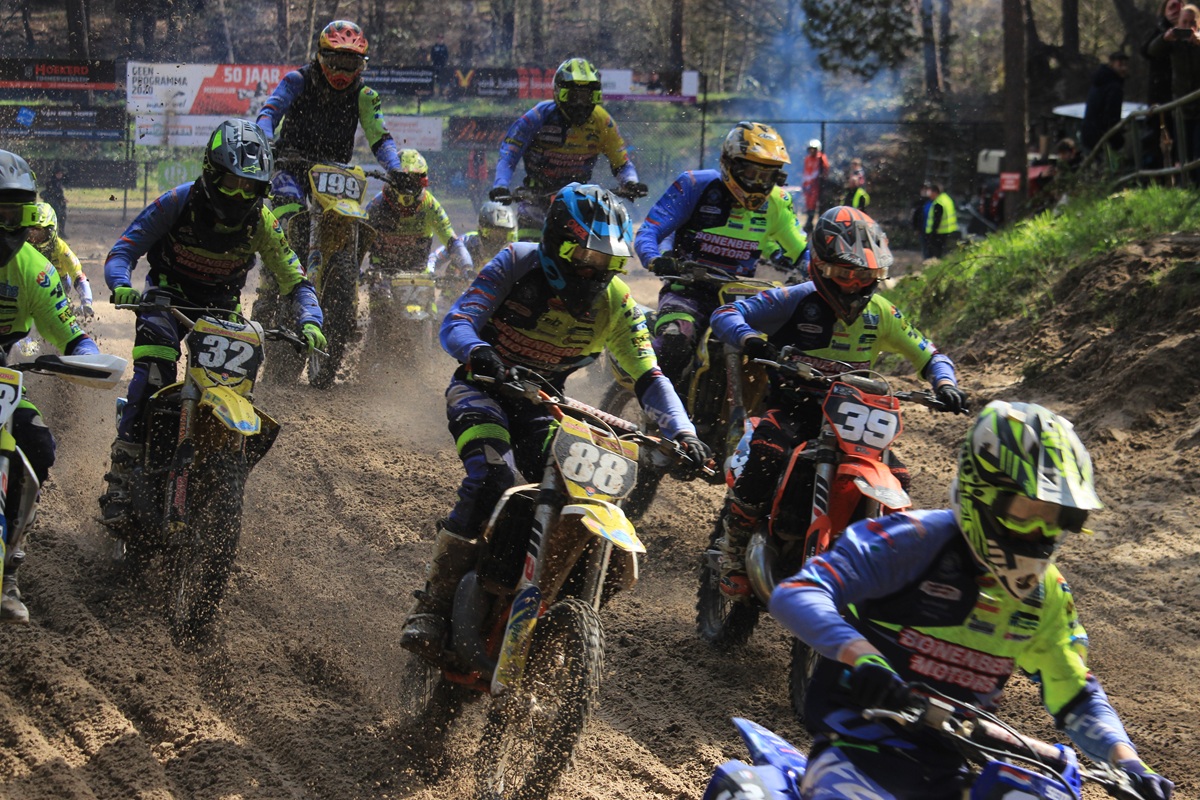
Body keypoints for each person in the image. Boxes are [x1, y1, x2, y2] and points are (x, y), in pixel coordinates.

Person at [770, 400, 1175, 800]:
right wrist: (863, 658)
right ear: (981, 492)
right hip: (855, 754)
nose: (1040, 530)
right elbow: (798, 592)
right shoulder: (913, 541)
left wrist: (1130, 764)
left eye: (1056, 517)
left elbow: (1075, 694)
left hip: (948, 771)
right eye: (1028, 511)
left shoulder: (1045, 594)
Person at [399, 183, 709, 660]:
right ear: (556, 243)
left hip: (544, 407)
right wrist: (480, 351)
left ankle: (549, 602)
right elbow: (456, 322)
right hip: (483, 390)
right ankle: (433, 603)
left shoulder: (616, 301)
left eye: (607, 261)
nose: (595, 270)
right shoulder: (515, 262)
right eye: (586, 257)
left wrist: (683, 432)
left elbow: (649, 376)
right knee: (494, 477)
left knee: (578, 489)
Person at [708, 206, 966, 597]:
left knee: (899, 476)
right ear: (822, 267)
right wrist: (750, 339)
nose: (853, 285)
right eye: (845, 275)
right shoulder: (796, 299)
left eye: (865, 276)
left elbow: (930, 354)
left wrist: (945, 383)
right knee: (768, 450)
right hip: (794, 408)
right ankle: (733, 545)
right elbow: (728, 312)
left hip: (854, 416)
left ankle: (875, 561)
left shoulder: (882, 313)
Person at [98, 120, 325, 527]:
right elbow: (124, 251)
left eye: (249, 186)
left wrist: (310, 320)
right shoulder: (177, 202)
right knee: (154, 370)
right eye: (231, 182)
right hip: (166, 300)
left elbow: (296, 279)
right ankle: (122, 470)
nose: (239, 194)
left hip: (221, 312)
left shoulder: (263, 222)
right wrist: (122, 285)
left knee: (232, 387)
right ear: (210, 172)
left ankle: (218, 465)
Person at [0, 149, 104, 624]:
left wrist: (88, 357)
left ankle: (9, 570)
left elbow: (71, 334)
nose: (6, 224)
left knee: (39, 447)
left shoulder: (36, 270)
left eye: (14, 213)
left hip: (3, 371)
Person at [634, 121, 807, 393]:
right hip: (687, 291)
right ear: (730, 164)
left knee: (782, 354)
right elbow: (650, 231)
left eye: (768, 176)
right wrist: (655, 259)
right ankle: (656, 404)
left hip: (742, 300)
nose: (759, 184)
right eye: (752, 173)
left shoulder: (778, 201)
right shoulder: (697, 185)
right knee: (675, 342)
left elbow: (802, 251)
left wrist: (824, 275)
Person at [255, 20, 403, 242]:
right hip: (291, 164)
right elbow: (269, 114)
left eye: (350, 64)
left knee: (343, 232)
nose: (342, 72)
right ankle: (280, 260)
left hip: (336, 172)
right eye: (335, 62)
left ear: (361, 65)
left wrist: (396, 168)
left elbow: (380, 138)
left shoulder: (365, 96)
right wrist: (266, 141)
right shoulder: (297, 81)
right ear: (321, 57)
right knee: (291, 221)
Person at [488, 58, 645, 215]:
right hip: (536, 194)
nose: (580, 104)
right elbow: (509, 153)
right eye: (574, 96)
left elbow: (621, 163)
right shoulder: (538, 116)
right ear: (559, 93)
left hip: (579, 197)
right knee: (529, 228)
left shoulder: (603, 122)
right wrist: (501, 185)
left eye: (586, 97)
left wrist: (631, 182)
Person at [364, 148, 472, 281]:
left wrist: (466, 267)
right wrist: (356, 273)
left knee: (425, 293)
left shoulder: (429, 204)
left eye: (413, 179)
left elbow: (451, 240)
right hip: (381, 272)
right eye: (403, 179)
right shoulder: (377, 205)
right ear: (392, 178)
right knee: (381, 293)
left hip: (418, 271)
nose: (407, 185)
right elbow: (357, 242)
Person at [1149, 6, 1200, 171]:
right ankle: (1187, 183)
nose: (1188, 26)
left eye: (1192, 23)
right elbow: (1152, 50)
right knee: (1184, 153)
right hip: (1181, 107)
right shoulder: (1175, 44)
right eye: (1184, 22)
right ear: (1178, 23)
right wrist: (1165, 38)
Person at [426, 199, 516, 287]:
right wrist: (430, 272)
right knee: (456, 261)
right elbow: (435, 257)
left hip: (497, 294)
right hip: (458, 293)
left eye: (504, 235)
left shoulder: (515, 251)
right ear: (480, 229)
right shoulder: (466, 242)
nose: (497, 240)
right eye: (492, 234)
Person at [25, 203, 93, 317]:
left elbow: (78, 275)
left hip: (58, 286)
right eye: (31, 232)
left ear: (51, 230)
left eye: (41, 233)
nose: (35, 239)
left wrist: (86, 301)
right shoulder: (23, 246)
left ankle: (66, 309)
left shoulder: (61, 248)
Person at [1081, 52, 1130, 153]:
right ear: (1111, 64)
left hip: (1089, 137)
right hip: (1101, 139)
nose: (1124, 68)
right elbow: (1111, 116)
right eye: (1120, 64)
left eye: (1125, 65)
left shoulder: (1100, 81)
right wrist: (1117, 140)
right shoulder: (1113, 87)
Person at [800, 139, 830, 235]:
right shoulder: (807, 159)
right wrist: (804, 183)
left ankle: (816, 223)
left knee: (816, 204)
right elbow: (805, 171)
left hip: (816, 185)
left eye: (814, 149)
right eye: (810, 149)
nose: (812, 151)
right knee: (809, 204)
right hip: (808, 185)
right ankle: (809, 223)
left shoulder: (821, 158)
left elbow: (825, 170)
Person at [924, 180, 958, 259]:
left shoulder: (939, 202)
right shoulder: (946, 199)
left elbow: (937, 219)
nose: (929, 195)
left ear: (935, 192)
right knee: (943, 253)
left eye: (930, 192)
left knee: (936, 254)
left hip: (938, 232)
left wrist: (933, 232)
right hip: (947, 231)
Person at [41, 162, 67, 240]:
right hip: (52, 202)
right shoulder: (52, 182)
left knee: (62, 216)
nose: (60, 175)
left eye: (61, 173)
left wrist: (62, 199)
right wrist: (61, 198)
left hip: (57, 202)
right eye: (59, 173)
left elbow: (59, 193)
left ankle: (61, 232)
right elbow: (54, 193)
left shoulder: (58, 182)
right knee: (56, 216)